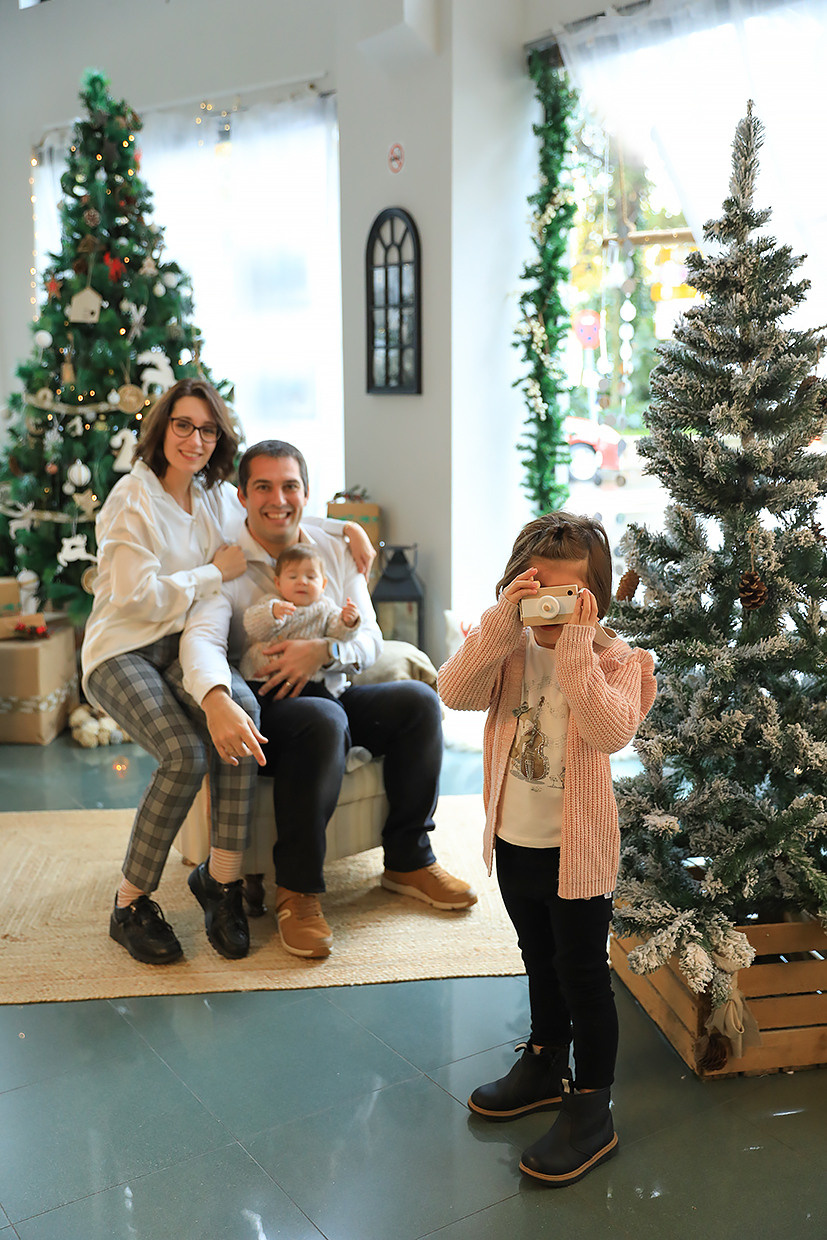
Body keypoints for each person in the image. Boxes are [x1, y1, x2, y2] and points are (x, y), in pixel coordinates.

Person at [82, 380, 373, 967]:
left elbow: (273, 508)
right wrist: (211, 577)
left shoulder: (214, 496)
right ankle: (130, 903)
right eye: (184, 425)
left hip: (180, 645)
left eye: (208, 428)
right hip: (123, 649)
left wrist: (346, 529)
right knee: (186, 755)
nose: (195, 438)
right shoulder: (131, 500)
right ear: (162, 428)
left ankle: (223, 882)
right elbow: (133, 599)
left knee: (243, 717)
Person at [180, 439, 477, 961]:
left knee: (418, 703)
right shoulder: (224, 559)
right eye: (264, 487)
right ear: (243, 497)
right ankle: (298, 890)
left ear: (306, 491)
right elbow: (203, 637)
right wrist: (215, 694)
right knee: (322, 720)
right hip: (268, 706)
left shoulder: (334, 548)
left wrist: (323, 649)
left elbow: (370, 637)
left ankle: (408, 859)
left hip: (332, 688)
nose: (279, 499)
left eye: (289, 485)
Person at [437, 512, 656, 1187]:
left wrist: (578, 648)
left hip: (578, 852)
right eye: (539, 595)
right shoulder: (502, 649)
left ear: (595, 601)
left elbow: (608, 729)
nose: (551, 612)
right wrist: (502, 626)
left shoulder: (623, 662)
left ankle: (591, 1105)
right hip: (514, 840)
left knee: (582, 973)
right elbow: (453, 691)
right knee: (536, 957)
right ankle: (542, 1057)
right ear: (515, 588)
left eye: (569, 598)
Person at [240, 542, 360, 694]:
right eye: (292, 576)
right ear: (278, 583)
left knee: (325, 700)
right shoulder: (271, 602)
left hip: (307, 682)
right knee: (250, 701)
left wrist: (347, 622)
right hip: (260, 678)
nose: (302, 581)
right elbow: (251, 625)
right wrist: (272, 613)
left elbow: (339, 636)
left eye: (310, 576)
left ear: (323, 584)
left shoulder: (326, 608)